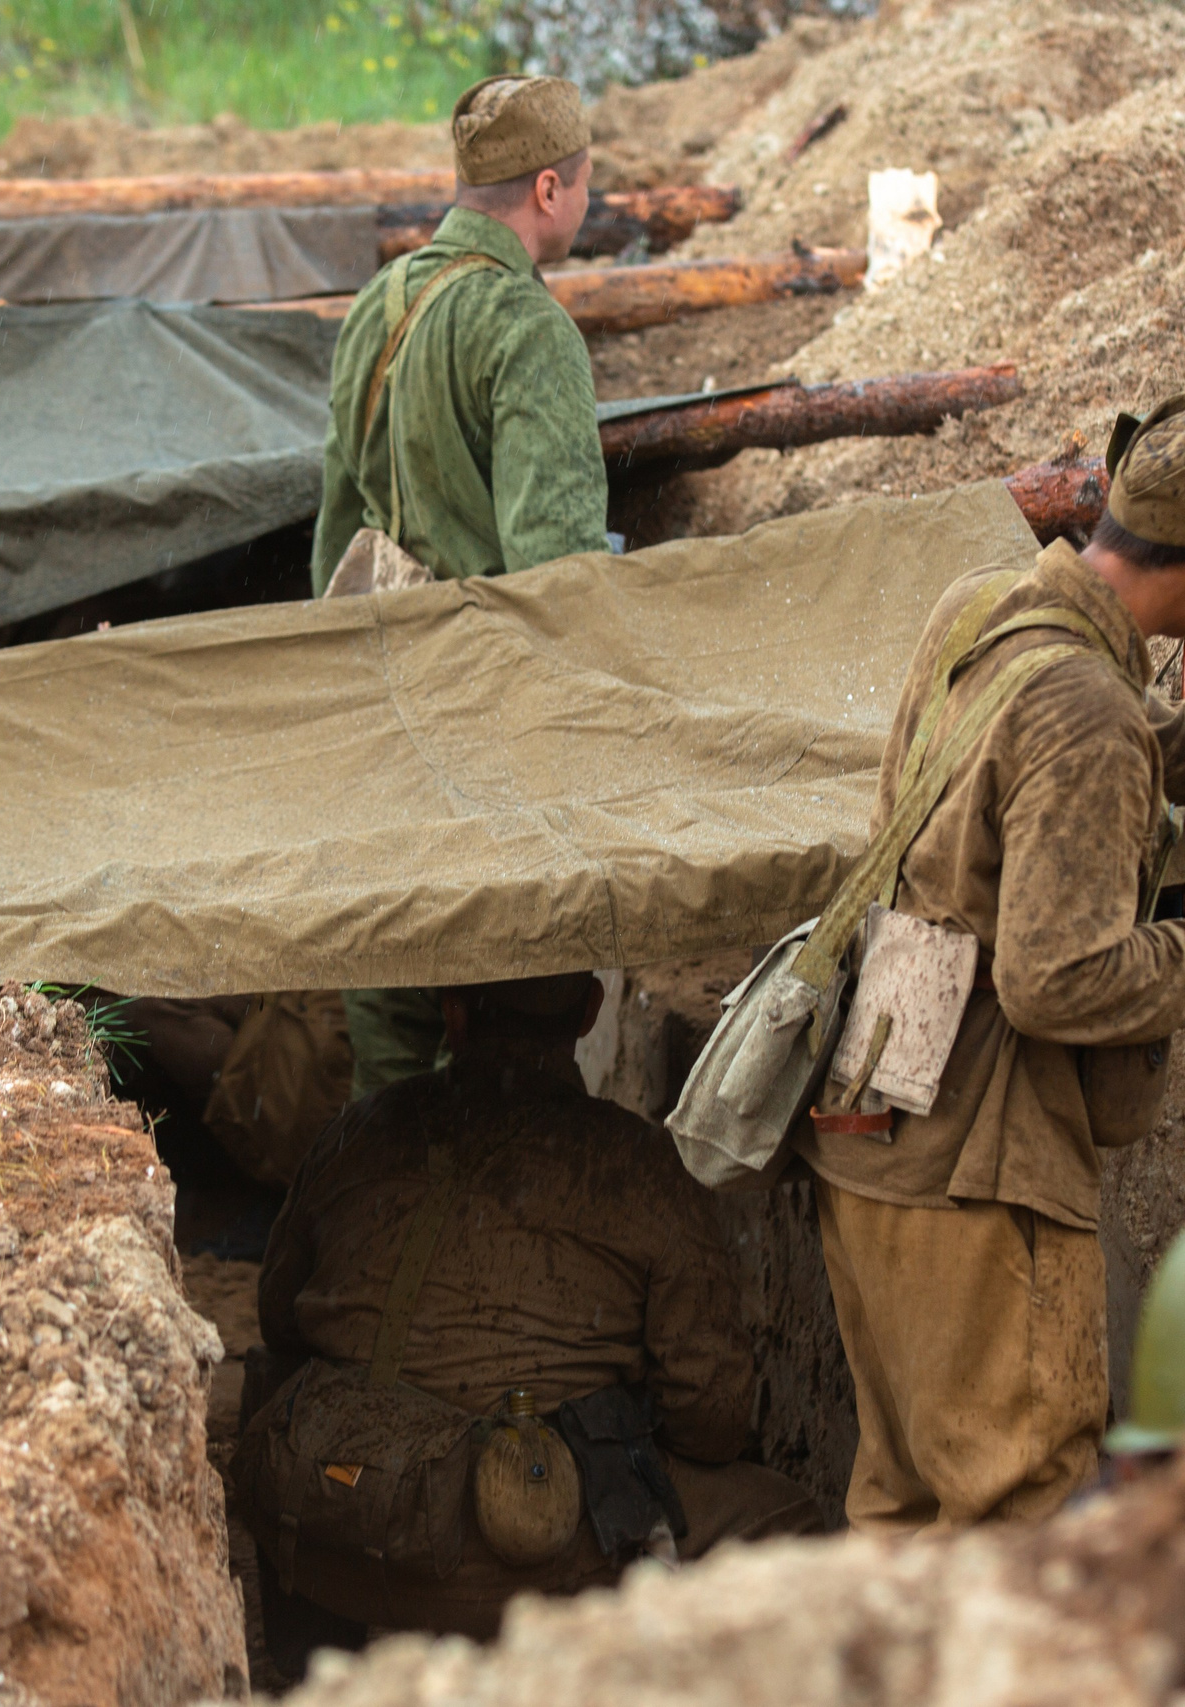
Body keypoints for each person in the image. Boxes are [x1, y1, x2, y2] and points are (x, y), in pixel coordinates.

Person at [793, 393, 1185, 1532]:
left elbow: (1088, 711)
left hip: (867, 1118)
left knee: (901, 1512)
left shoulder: (980, 609)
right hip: (977, 1171)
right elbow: (1056, 980)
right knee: (1018, 1524)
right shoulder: (1088, 714)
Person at [241, 973, 818, 1664]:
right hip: (526, 1556)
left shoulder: (353, 1132)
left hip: (335, 1529)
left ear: (451, 1013)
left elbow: (278, 1318)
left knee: (273, 1380)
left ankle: (294, 1673)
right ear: (587, 1012)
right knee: (795, 1521)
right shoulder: (640, 1164)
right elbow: (713, 1418)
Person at [311, 72, 614, 1099]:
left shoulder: (374, 305)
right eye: (582, 185)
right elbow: (557, 575)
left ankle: (380, 1207)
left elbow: (333, 527)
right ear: (546, 189)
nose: (584, 201)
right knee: (505, 1012)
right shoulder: (528, 332)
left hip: (372, 699)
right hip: (488, 728)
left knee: (386, 976)